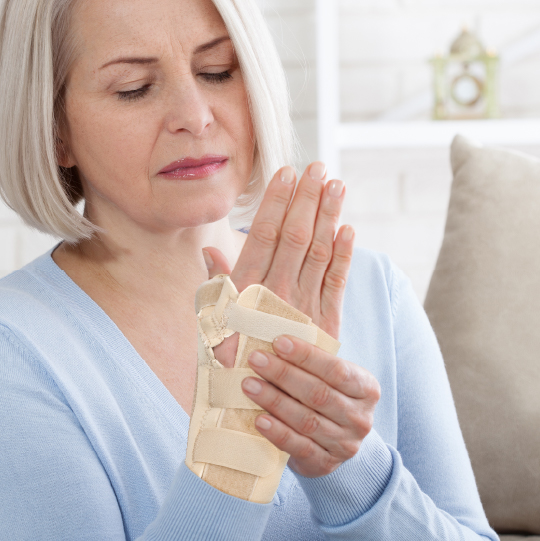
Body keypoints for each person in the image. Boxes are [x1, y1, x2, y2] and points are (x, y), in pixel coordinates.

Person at [0, 0, 498, 539]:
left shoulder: (375, 292)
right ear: (56, 131)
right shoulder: (18, 350)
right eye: (134, 87)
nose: (194, 116)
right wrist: (233, 453)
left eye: (217, 71)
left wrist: (348, 466)